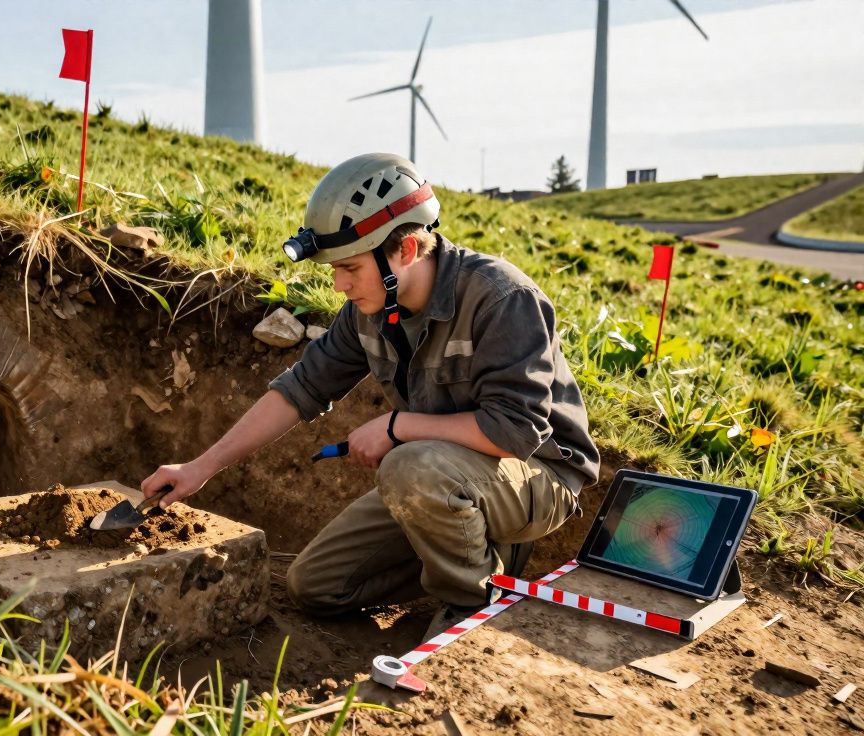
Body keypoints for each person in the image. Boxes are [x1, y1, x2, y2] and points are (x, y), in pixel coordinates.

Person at [141, 152, 599, 637]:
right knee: (314, 586)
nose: (340, 285)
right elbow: (300, 389)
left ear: (404, 249)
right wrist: (199, 468)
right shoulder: (371, 307)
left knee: (407, 465)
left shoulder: (502, 298)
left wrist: (396, 427)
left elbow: (515, 430)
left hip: (537, 477)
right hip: (443, 479)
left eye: (351, 269)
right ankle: (470, 549)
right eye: (336, 269)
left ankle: (473, 600)